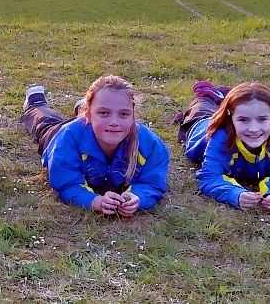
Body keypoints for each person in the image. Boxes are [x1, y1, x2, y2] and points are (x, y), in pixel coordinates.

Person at [20, 75, 170, 216]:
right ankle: (36, 103)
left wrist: (138, 198)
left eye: (124, 114)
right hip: (62, 132)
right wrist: (94, 201)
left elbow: (153, 184)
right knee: (45, 124)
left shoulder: (150, 144)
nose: (114, 122)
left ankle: (85, 107)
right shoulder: (66, 138)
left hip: (92, 124)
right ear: (89, 114)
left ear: (133, 116)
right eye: (104, 113)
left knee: (102, 119)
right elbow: (66, 183)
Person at [181, 81, 270, 211]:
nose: (253, 129)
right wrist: (235, 194)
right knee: (201, 108)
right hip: (200, 126)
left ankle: (224, 95)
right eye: (243, 120)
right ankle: (208, 94)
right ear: (231, 119)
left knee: (231, 105)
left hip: (227, 114)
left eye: (262, 119)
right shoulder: (219, 138)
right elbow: (209, 177)